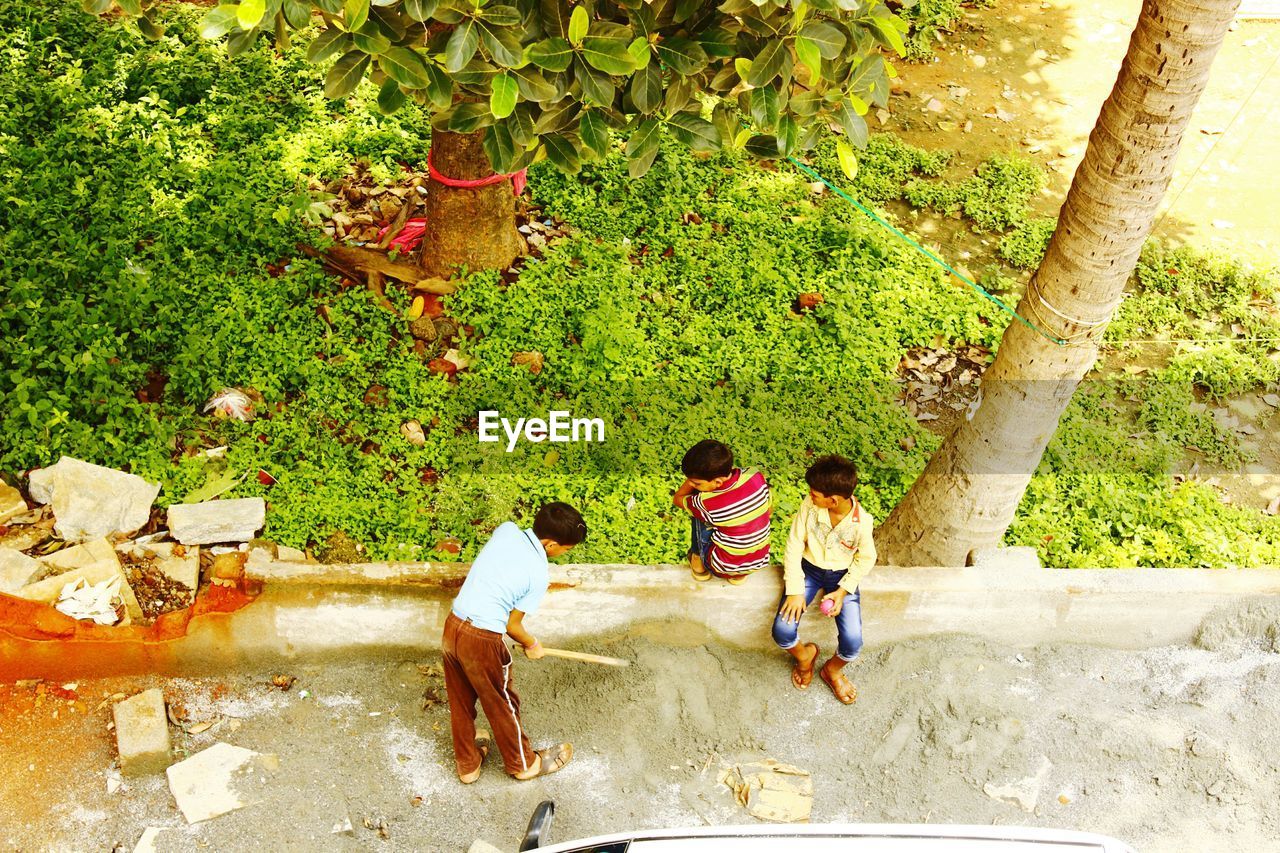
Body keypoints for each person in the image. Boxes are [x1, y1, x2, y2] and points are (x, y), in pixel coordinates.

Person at [442, 501, 587, 783]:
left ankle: (468, 765)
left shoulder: (507, 530)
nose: (564, 554)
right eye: (565, 549)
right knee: (502, 701)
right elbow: (512, 625)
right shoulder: (538, 574)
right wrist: (533, 645)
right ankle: (523, 764)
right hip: (482, 638)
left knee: (460, 699)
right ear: (551, 545)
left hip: (454, 625)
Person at [772, 455, 876, 704]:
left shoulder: (862, 524)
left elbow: (866, 558)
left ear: (833, 500)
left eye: (815, 493)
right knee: (782, 631)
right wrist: (795, 589)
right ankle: (805, 657)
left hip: (842, 578)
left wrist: (842, 592)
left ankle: (832, 670)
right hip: (808, 571)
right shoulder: (810, 506)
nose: (810, 495)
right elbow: (794, 544)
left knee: (853, 643)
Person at [672, 439, 772, 584]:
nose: (692, 483)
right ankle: (738, 576)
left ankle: (698, 562)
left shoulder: (707, 502)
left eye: (697, 482)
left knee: (696, 510)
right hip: (757, 562)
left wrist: (690, 484)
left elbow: (677, 499)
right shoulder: (755, 475)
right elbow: (769, 510)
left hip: (721, 566)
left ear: (718, 482)